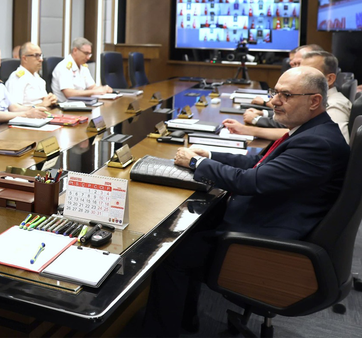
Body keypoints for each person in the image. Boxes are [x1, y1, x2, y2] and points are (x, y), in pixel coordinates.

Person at [144, 66, 350, 337]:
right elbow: (259, 163)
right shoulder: (312, 129)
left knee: (171, 254)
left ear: (314, 101)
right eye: (275, 93)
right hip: (272, 219)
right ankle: (186, 320)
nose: (275, 101)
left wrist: (197, 162)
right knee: (189, 231)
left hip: (264, 240)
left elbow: (250, 182)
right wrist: (209, 153)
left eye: (286, 95)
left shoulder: (317, 143)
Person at [236, 51, 351, 142]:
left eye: (309, 72)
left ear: (329, 79)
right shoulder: (311, 98)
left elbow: (336, 142)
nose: (300, 75)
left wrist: (250, 128)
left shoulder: (335, 105)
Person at [51, 37, 113, 102]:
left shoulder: (83, 66)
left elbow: (92, 87)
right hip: (67, 106)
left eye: (89, 54)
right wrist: (94, 91)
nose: (88, 57)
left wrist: (104, 89)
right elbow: (69, 94)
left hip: (81, 103)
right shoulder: (64, 67)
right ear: (75, 50)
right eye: (86, 53)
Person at [5, 42, 57, 108]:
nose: (41, 59)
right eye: (36, 56)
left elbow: (44, 101)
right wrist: (42, 105)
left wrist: (51, 99)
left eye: (40, 55)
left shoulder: (37, 76)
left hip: (45, 114)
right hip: (28, 117)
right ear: (25, 59)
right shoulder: (17, 78)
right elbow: (14, 108)